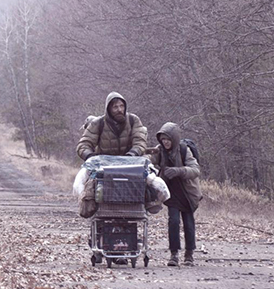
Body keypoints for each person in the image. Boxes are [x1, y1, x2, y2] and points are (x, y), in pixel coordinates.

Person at [150, 122, 202, 266]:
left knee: (188, 223)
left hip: (187, 193)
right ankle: (174, 254)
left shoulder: (185, 150)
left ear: (174, 139)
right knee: (173, 222)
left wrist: (179, 171)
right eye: (163, 139)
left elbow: (195, 170)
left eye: (168, 139)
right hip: (171, 193)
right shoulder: (159, 151)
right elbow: (150, 163)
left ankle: (189, 254)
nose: (165, 142)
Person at [77, 92, 148, 161]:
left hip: (131, 163)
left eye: (121, 106)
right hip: (104, 167)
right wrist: (90, 156)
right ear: (109, 109)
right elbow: (84, 144)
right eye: (115, 107)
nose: (119, 110)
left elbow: (140, 141)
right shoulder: (98, 123)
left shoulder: (133, 120)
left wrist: (132, 154)